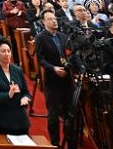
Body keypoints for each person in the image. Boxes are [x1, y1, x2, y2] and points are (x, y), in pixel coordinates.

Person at [33, 11, 72, 146]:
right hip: (52, 79)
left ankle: (71, 141)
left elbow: (69, 55)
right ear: (44, 22)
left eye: (54, 19)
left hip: (67, 78)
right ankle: (55, 142)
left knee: (70, 112)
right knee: (54, 114)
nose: (54, 21)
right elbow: (41, 60)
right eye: (49, 19)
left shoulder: (63, 36)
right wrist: (54, 68)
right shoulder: (40, 38)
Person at [0, 38, 31, 136]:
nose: (7, 54)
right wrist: (8, 95)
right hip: (4, 118)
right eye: (3, 51)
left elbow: (26, 92)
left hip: (21, 118)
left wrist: (25, 98)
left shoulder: (17, 70)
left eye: (9, 51)